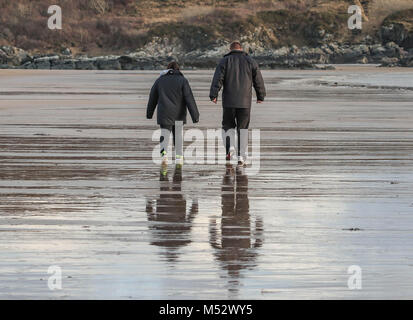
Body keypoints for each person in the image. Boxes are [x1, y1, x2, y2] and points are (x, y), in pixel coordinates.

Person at [209, 41, 266, 166]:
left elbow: (218, 79)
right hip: (245, 103)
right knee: (243, 129)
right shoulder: (250, 61)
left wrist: (214, 95)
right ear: (241, 49)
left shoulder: (224, 61)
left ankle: (230, 148)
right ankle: (240, 156)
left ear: (230, 49)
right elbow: (258, 80)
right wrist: (260, 95)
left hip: (229, 102)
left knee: (228, 126)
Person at [147, 62, 199, 165]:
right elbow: (189, 98)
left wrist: (149, 113)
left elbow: (152, 97)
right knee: (178, 135)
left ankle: (163, 155)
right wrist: (195, 116)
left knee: (164, 134)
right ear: (178, 69)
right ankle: (179, 157)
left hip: (164, 112)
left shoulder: (160, 80)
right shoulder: (183, 80)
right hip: (179, 113)